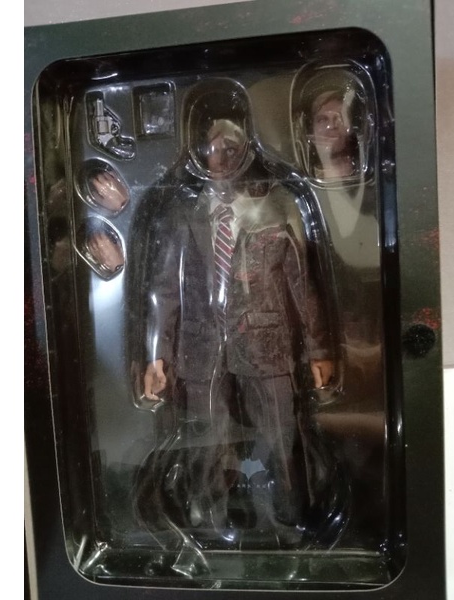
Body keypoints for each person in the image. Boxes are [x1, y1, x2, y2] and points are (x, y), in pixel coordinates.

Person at [127, 79, 341, 551]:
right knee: (205, 440)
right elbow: (164, 290)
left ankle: (290, 521)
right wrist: (157, 355)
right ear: (199, 153)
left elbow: (302, 286)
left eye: (231, 146)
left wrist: (319, 350)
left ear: (248, 149)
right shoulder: (183, 214)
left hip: (267, 343)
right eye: (212, 147)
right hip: (201, 348)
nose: (221, 156)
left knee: (281, 436)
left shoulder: (275, 206)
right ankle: (207, 524)